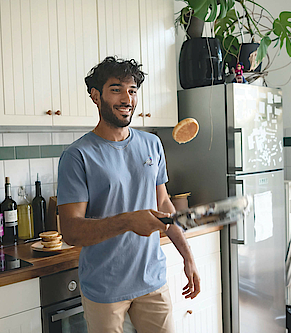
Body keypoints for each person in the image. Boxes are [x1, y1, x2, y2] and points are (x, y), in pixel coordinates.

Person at [57, 56, 200, 333]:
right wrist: (128, 221)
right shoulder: (77, 156)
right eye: (116, 89)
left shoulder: (152, 144)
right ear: (95, 97)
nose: (127, 98)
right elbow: (71, 231)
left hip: (151, 279)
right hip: (104, 287)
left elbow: (163, 204)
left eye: (132, 90)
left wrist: (188, 256)